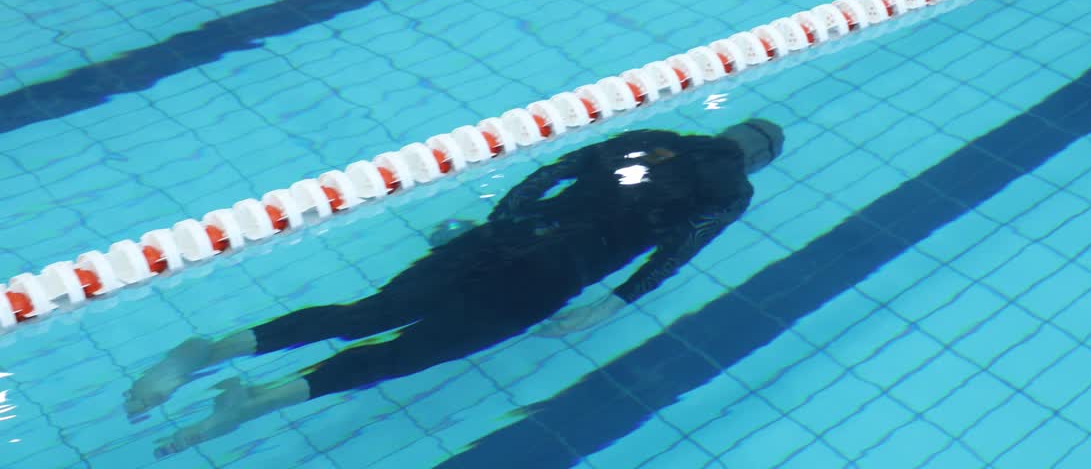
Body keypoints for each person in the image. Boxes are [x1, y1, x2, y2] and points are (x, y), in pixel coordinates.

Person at [126, 119, 784, 455]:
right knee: (406, 353)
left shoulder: (654, 138)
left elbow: (557, 168)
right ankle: (257, 402)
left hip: (504, 240)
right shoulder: (730, 193)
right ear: (754, 161)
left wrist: (503, 220)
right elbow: (675, 253)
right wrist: (610, 304)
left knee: (368, 312)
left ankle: (210, 354)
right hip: (548, 281)